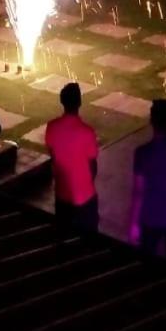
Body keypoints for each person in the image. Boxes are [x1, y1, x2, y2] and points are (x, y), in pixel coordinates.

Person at [129, 98, 166, 264]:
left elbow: (138, 192)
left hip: (151, 216)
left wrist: (134, 224)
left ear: (151, 120)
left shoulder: (142, 153)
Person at [45, 82, 99, 232]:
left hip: (62, 193)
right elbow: (92, 164)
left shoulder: (52, 127)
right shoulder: (87, 132)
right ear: (79, 102)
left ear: (62, 101)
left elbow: (53, 155)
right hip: (85, 196)